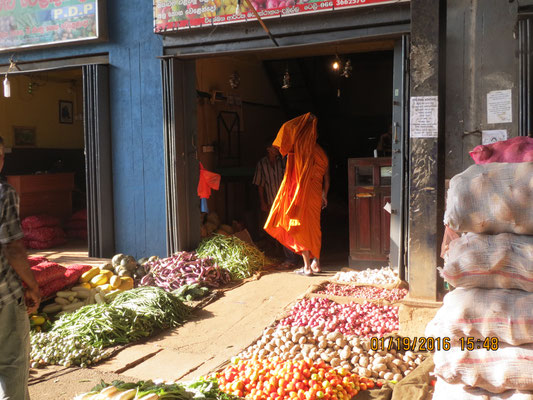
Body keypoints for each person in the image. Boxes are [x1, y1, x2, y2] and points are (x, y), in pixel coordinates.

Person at [0, 136, 41, 400]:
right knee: (12, 365)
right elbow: (13, 249)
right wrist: (33, 286)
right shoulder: (4, 192)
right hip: (3, 296)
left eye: (1, 154)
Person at [264, 112, 330, 276]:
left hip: (301, 196)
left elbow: (287, 131)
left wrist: (303, 121)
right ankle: (316, 263)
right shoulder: (320, 152)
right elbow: (326, 176)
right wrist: (324, 195)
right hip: (316, 196)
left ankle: (307, 267)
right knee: (315, 229)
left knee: (300, 228)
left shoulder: (301, 151)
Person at [253, 141, 300, 268]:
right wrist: (263, 202)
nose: (277, 150)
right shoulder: (262, 164)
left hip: (286, 201)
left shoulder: (284, 161)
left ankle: (292, 258)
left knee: (287, 228)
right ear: (268, 149)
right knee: (277, 229)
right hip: (272, 201)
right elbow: (260, 185)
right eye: (274, 148)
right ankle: (286, 256)